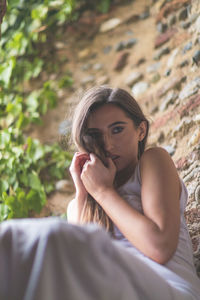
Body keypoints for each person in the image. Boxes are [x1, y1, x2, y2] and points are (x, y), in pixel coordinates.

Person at [0, 86, 199, 300]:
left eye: (117, 130)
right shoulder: (78, 205)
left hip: (168, 288)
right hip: (106, 291)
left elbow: (159, 247)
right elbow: (79, 269)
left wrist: (104, 192)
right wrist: (84, 194)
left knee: (48, 239)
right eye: (95, 135)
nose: (108, 144)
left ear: (141, 130)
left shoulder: (152, 162)